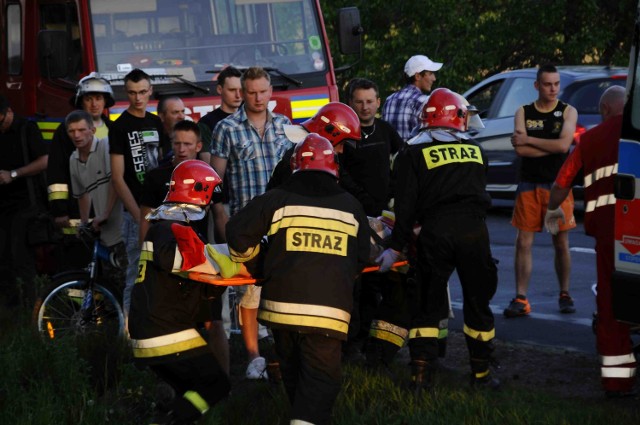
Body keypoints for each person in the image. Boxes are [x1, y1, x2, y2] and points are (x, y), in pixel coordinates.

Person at [213, 134, 370, 425]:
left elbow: (237, 232)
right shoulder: (351, 206)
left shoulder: (277, 199)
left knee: (295, 377)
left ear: (296, 166)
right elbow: (362, 258)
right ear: (333, 167)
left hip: (280, 311)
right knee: (321, 385)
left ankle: (300, 416)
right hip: (328, 315)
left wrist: (258, 265)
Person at [377, 88, 499, 391]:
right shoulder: (476, 150)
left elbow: (405, 209)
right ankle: (481, 376)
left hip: (435, 233)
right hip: (475, 232)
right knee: (478, 303)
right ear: (458, 117)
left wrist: (394, 247)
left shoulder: (410, 153)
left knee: (427, 303)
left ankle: (420, 375)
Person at [545, 85, 636, 397]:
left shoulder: (591, 139)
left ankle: (616, 383)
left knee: (612, 309)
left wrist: (552, 209)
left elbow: (560, 184)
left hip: (611, 236)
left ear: (606, 110)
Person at [129, 159, 230, 424]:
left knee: (190, 391)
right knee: (217, 385)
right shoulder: (169, 229)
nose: (210, 203)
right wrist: (222, 266)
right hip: (165, 330)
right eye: (209, 195)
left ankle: (174, 416)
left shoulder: (164, 226)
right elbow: (180, 261)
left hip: (155, 329)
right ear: (200, 192)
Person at [210, 66, 293, 380]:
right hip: (250, 223)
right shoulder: (227, 128)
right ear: (241, 93)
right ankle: (254, 358)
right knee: (250, 292)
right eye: (252, 92)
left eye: (263, 91)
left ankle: (284, 350)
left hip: (284, 220)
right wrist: (223, 217)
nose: (258, 98)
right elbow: (216, 182)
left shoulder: (285, 126)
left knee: (285, 284)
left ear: (271, 92)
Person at [138, 120, 230, 376]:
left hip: (201, 261)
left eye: (187, 144)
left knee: (214, 322)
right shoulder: (157, 177)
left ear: (199, 146)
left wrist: (230, 250)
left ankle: (224, 381)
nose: (181, 148)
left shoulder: (209, 177)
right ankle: (174, 383)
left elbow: (220, 216)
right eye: (176, 143)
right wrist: (145, 259)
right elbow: (145, 220)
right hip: (168, 263)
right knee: (176, 325)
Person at [504, 63, 579, 318]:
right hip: (528, 185)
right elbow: (521, 151)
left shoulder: (568, 111)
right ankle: (521, 297)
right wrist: (550, 145)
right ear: (537, 85)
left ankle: (565, 293)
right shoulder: (522, 112)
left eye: (556, 83)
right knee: (523, 243)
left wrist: (530, 140)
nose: (553, 88)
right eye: (548, 84)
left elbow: (563, 146)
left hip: (557, 187)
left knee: (560, 242)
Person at [342, 78, 404, 362]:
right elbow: (342, 176)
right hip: (355, 218)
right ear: (350, 103)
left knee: (383, 282)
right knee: (358, 285)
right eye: (359, 101)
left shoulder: (386, 131)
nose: (365, 107)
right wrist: (364, 202)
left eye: (370, 101)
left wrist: (393, 193)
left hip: (385, 217)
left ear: (378, 102)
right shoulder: (345, 135)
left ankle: (376, 344)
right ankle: (353, 344)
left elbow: (402, 163)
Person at [110, 68, 166, 319]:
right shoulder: (119, 127)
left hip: (160, 210)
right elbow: (117, 178)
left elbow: (164, 165)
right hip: (135, 213)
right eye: (132, 93)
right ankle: (128, 333)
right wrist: (138, 215)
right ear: (126, 93)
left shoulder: (156, 123)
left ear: (150, 91)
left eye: (142, 92)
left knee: (162, 269)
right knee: (136, 271)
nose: (138, 98)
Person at [47, 72, 115, 271]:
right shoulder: (66, 131)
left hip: (107, 209)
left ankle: (105, 300)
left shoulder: (114, 130)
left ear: (105, 101)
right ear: (80, 101)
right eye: (88, 98)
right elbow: (56, 171)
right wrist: (59, 209)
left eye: (98, 98)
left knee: (109, 264)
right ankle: (80, 301)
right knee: (79, 262)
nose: (94, 103)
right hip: (76, 211)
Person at [66, 110, 126, 288]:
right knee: (112, 285)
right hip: (105, 234)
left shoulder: (106, 147)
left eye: (82, 130)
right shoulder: (73, 159)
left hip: (122, 228)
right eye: (72, 131)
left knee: (128, 281)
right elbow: (82, 194)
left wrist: (105, 213)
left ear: (92, 130)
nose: (77, 135)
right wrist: (84, 222)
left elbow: (116, 182)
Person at [0, 94, 49, 304]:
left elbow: (44, 160)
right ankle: (11, 306)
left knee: (22, 257)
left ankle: (31, 305)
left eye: (0, 121)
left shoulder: (27, 129)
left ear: (9, 112)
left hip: (25, 204)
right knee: (4, 258)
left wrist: (14, 174)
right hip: (3, 206)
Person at [267, 101, 362, 190]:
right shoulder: (297, 162)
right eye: (341, 144)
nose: (341, 150)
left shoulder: (300, 154)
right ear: (329, 135)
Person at [382, 54, 443, 141]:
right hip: (414, 153)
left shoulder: (389, 99)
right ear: (417, 76)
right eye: (430, 73)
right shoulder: (425, 101)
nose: (434, 78)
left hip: (391, 154)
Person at [198, 66, 243, 165]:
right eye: (232, 90)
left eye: (241, 90)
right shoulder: (206, 123)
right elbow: (209, 165)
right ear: (219, 89)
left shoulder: (252, 119)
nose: (238, 95)